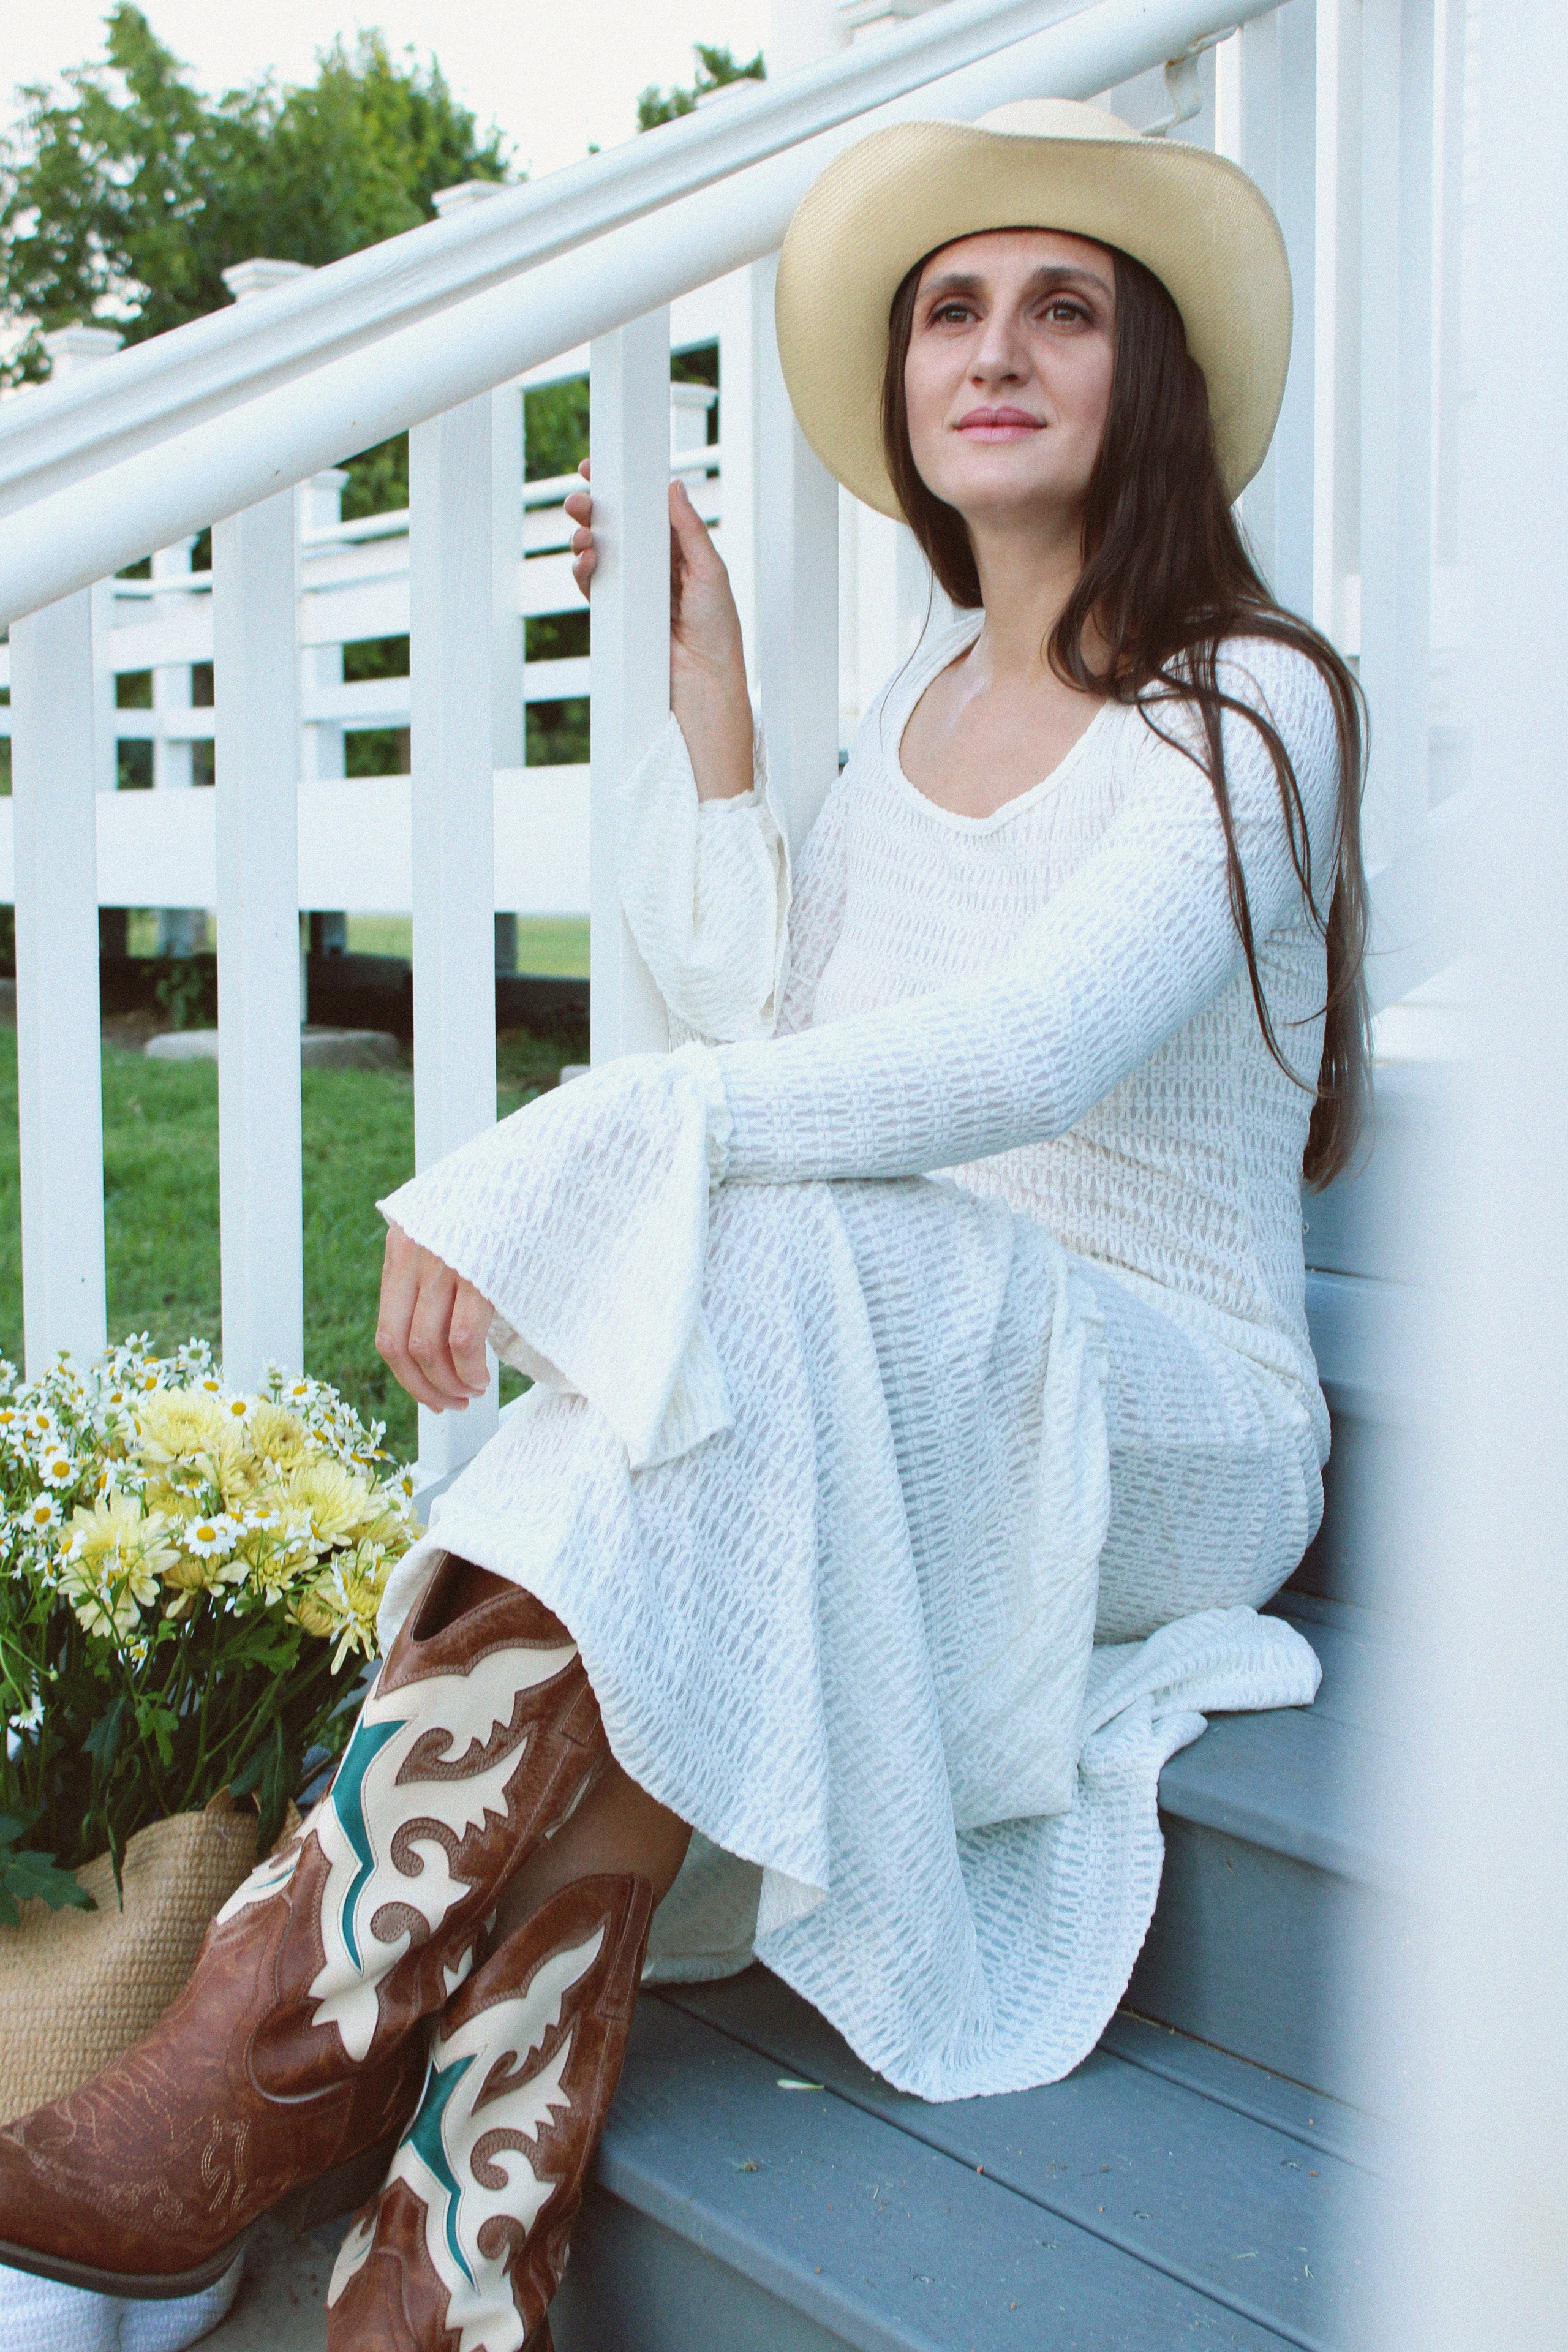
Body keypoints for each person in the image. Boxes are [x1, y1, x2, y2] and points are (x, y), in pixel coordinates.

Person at [0, 99, 1365, 2352]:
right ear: (909, 396)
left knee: (765, 1300)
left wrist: (575, 1148)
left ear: (1152, 384)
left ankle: (261, 2068)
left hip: (1171, 1418)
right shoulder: (925, 701)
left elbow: (1009, 1063)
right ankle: (462, 2251)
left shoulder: (1256, 703)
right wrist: (717, 720)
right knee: (741, 1401)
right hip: (904, 1369)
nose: (994, 349)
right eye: (950, 313)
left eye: (1064, 310)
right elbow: (807, 1040)